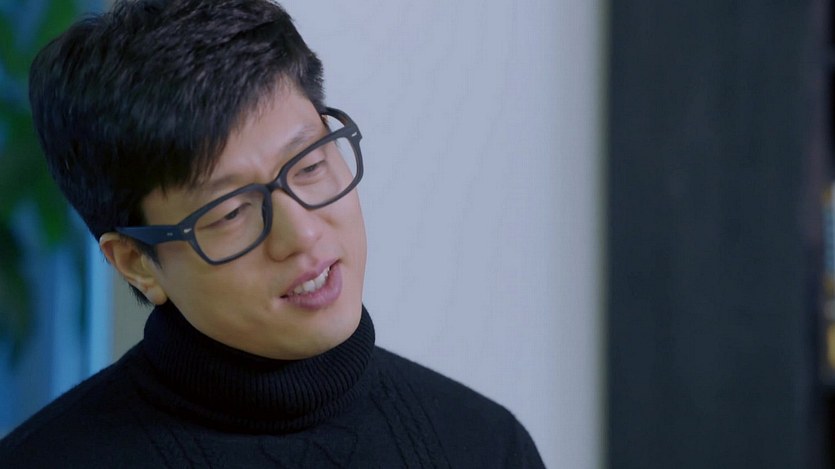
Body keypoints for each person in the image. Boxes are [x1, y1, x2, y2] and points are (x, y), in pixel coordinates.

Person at [0, 0, 545, 467]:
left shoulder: (486, 446)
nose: (302, 234)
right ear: (137, 262)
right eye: (231, 212)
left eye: (309, 165)